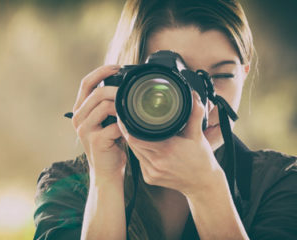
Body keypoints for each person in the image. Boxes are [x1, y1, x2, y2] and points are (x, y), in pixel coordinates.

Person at [33, 0, 297, 239]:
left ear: (244, 73)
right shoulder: (68, 186)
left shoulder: (280, 183)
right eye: (171, 81)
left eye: (222, 76)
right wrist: (106, 179)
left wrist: (207, 189)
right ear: (126, 82)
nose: (201, 106)